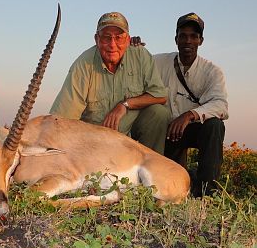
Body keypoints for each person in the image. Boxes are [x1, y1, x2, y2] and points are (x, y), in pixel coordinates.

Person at [50, 12, 170, 154]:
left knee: (159, 113)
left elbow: (160, 95)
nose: (112, 45)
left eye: (118, 38)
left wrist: (125, 105)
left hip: (130, 136)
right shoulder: (83, 64)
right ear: (97, 39)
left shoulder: (141, 55)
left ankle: (152, 167)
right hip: (95, 141)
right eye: (106, 37)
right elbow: (60, 119)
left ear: (127, 40)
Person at [136, 13, 228, 197]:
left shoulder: (212, 71)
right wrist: (134, 48)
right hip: (166, 133)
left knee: (215, 126)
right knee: (169, 181)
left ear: (201, 40)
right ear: (176, 39)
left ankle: (207, 193)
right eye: (183, 36)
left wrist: (188, 116)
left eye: (194, 36)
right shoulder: (158, 62)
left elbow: (221, 105)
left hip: (193, 129)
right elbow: (137, 66)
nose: (188, 41)